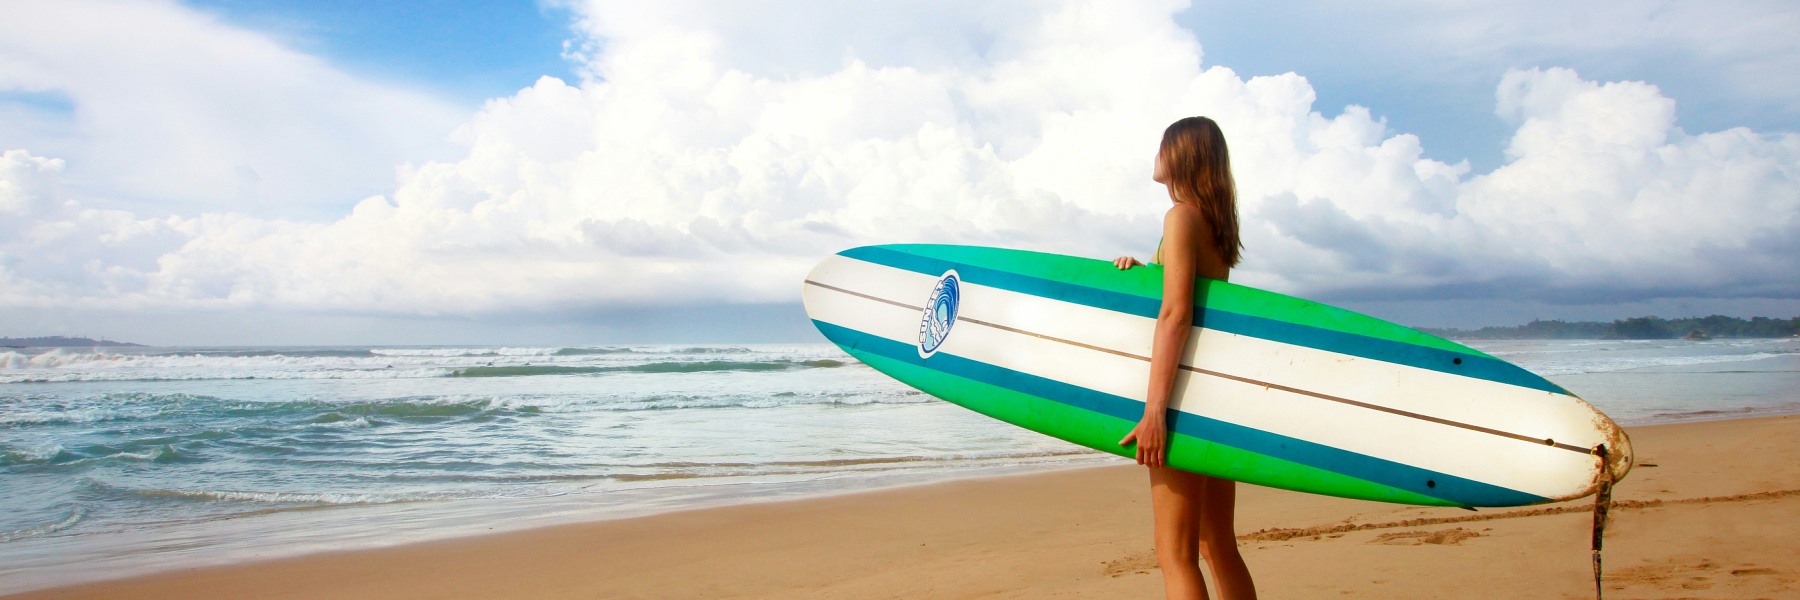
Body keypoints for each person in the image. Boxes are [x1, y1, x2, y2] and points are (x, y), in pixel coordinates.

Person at [1112, 116, 1255, 600]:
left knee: (1175, 554)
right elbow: (1184, 295)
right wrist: (1143, 272)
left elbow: (1176, 315)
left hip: (1181, 400)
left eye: (1163, 146)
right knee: (1219, 547)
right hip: (1215, 397)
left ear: (1181, 155)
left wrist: (1155, 413)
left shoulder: (1180, 217)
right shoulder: (1213, 225)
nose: (1155, 155)